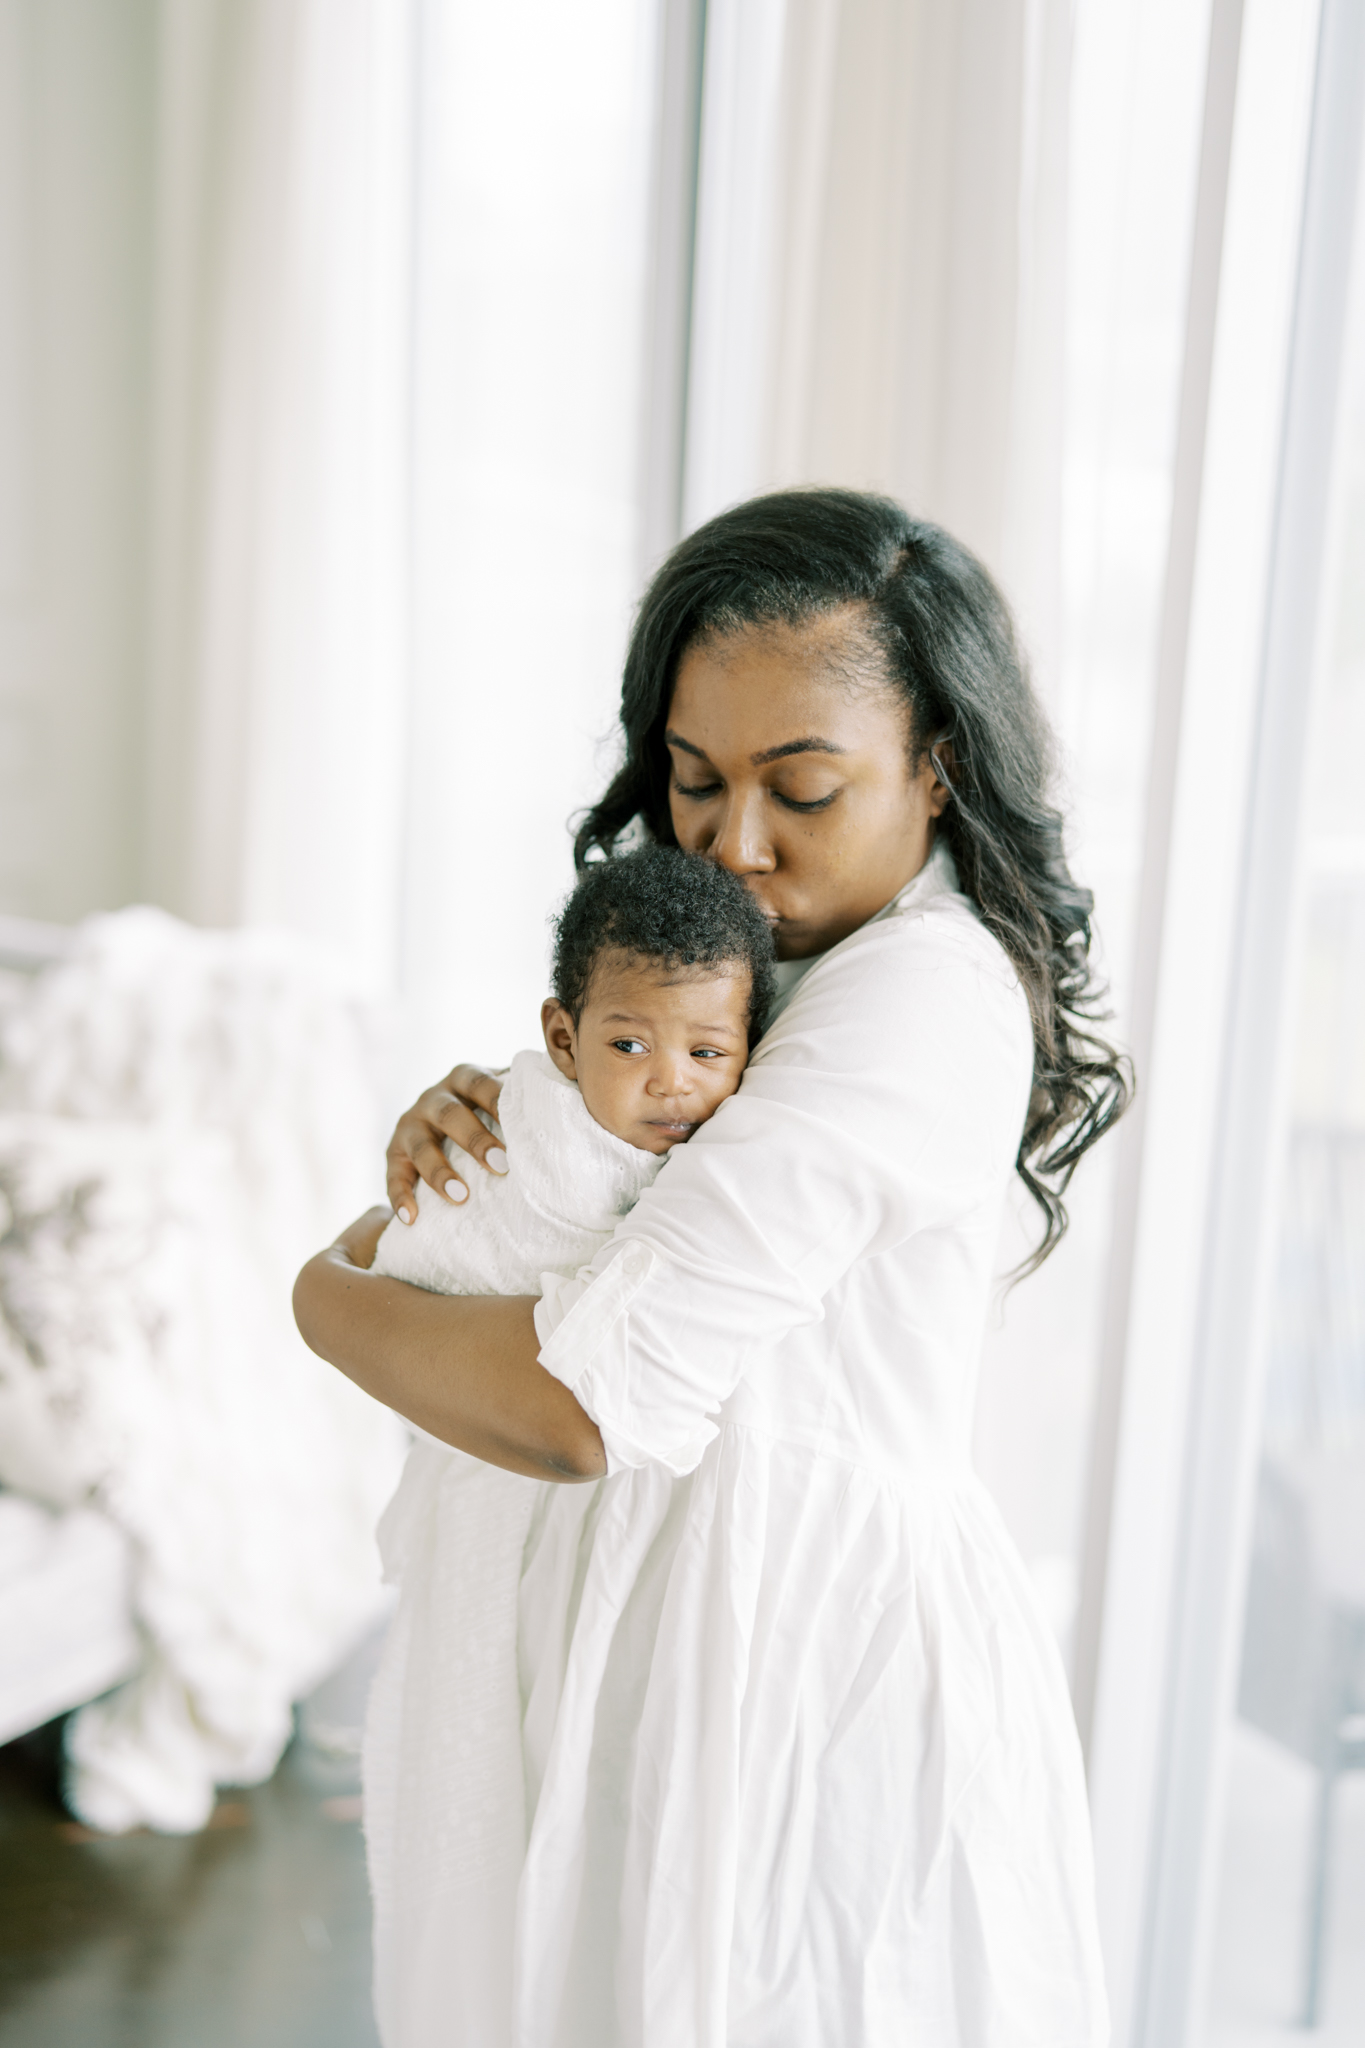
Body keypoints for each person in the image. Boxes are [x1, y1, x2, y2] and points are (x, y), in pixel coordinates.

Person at [294, 488, 1131, 2048]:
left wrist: (323, 1296)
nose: (732, 844)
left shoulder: (921, 1001)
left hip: (796, 1666)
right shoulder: (732, 974)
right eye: (691, 781)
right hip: (662, 1629)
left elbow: (577, 1401)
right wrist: (478, 1156)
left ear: (937, 767)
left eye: (799, 790)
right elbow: (557, 1233)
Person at [364, 847, 775, 2037]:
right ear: (561, 1036)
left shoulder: (732, 1158)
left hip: (595, 1485)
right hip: (498, 1459)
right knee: (480, 1782)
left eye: (708, 1052)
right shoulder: (528, 1142)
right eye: (628, 1044)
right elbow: (442, 1255)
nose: (668, 1085)